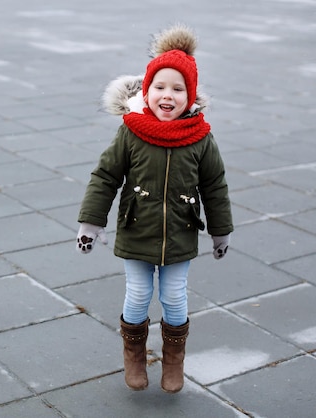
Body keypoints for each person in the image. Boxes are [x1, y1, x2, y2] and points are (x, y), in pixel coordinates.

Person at [76, 24, 233, 393]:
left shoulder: (200, 137)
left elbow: (214, 184)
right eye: (160, 87)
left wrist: (220, 230)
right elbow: (105, 176)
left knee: (174, 296)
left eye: (178, 89)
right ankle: (134, 355)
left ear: (190, 96)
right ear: (147, 91)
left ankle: (173, 361)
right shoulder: (132, 131)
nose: (168, 95)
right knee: (138, 294)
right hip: (137, 229)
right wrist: (90, 223)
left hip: (180, 232)